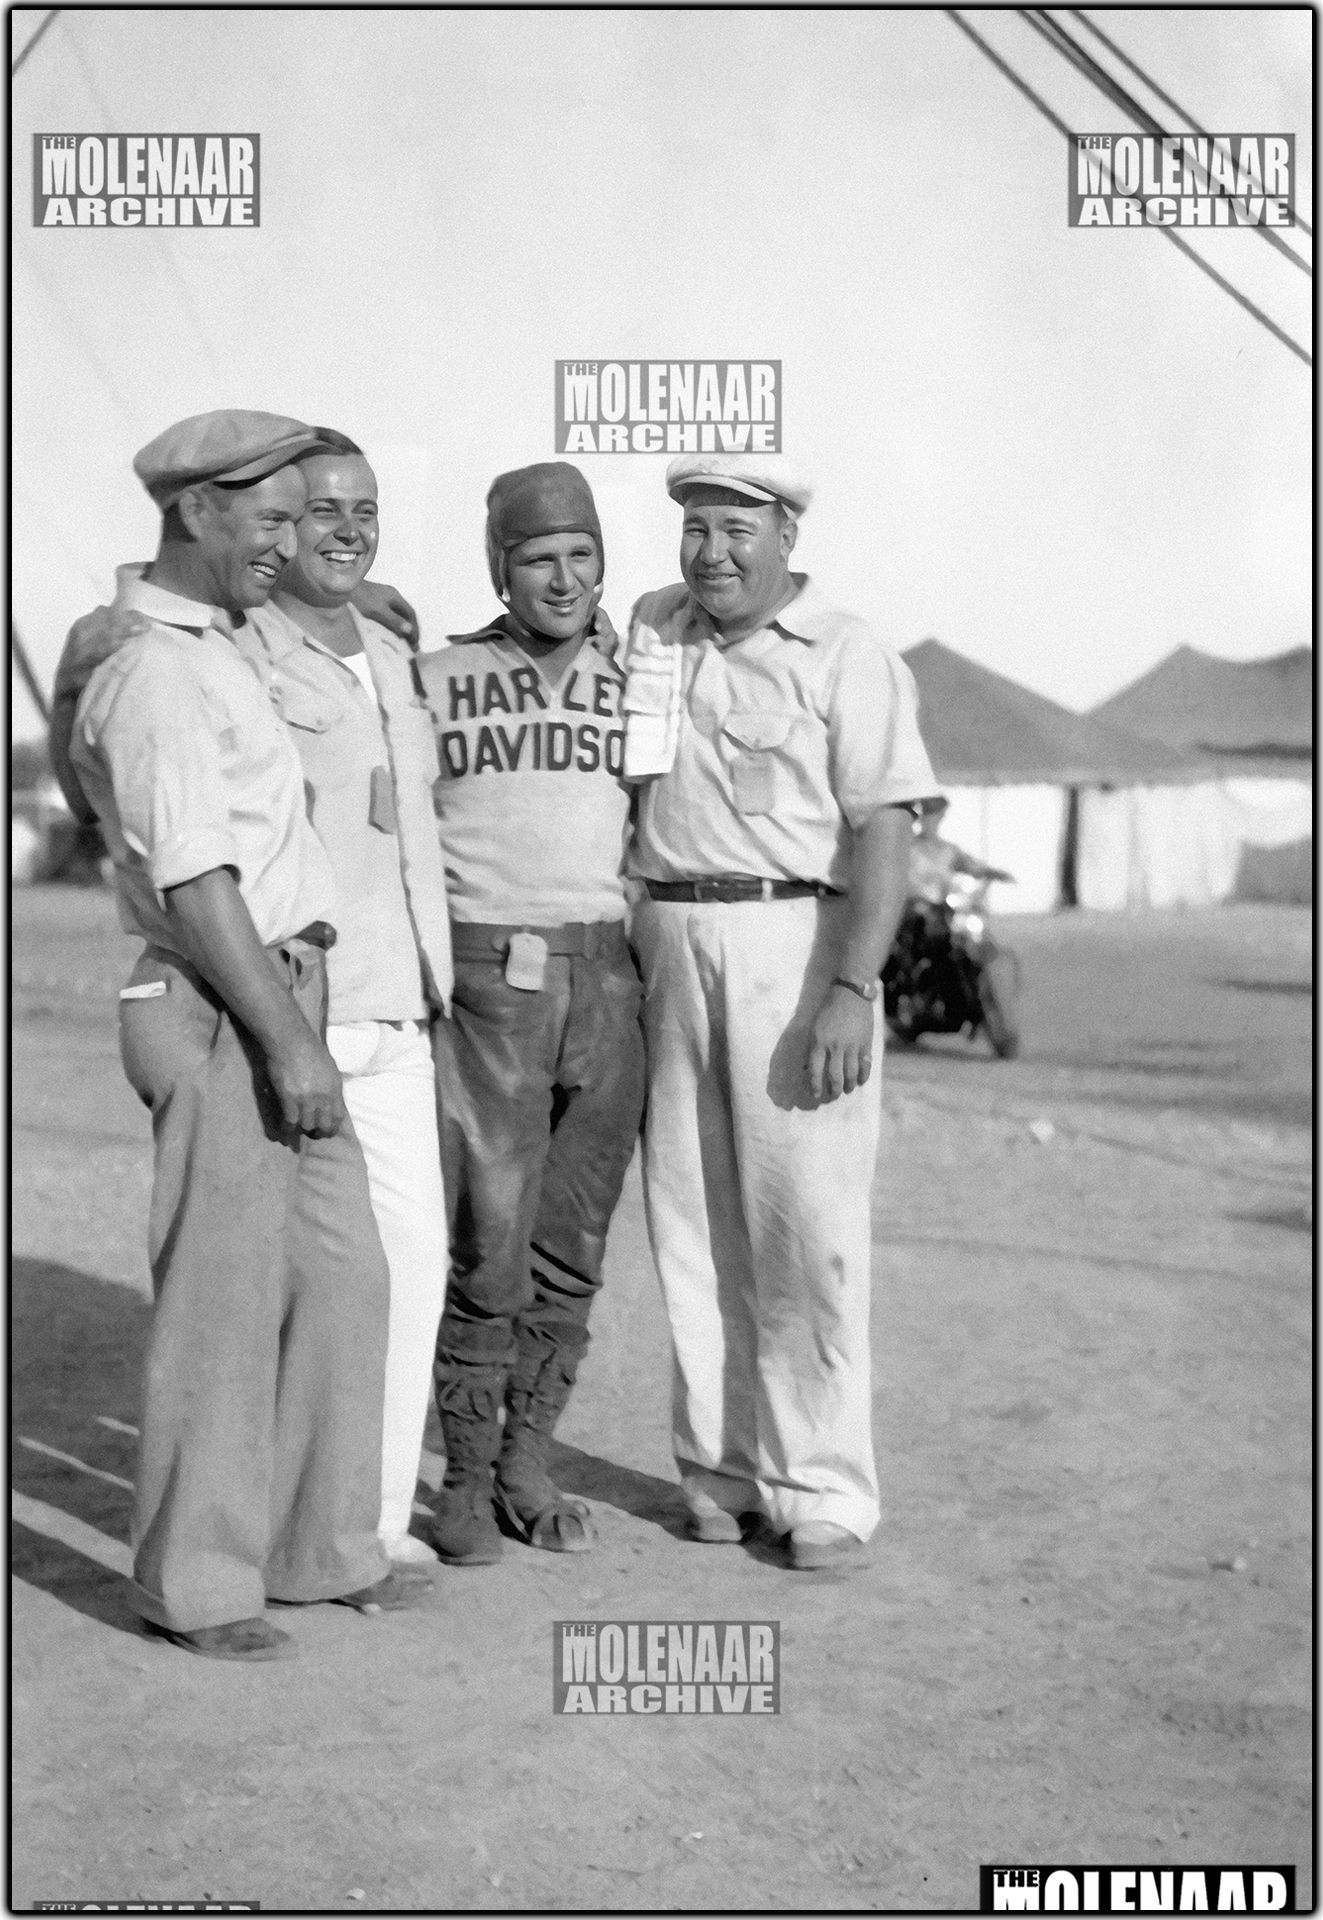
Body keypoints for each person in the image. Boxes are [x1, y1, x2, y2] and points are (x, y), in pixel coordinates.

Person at [64, 410, 430, 1659]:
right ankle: (199, 1586)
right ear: (193, 514)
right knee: (220, 1307)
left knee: (345, 1278)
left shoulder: (213, 644)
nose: (286, 545)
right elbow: (195, 883)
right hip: (223, 1002)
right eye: (267, 520)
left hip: (283, 996)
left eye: (296, 520)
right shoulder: (153, 669)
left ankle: (319, 1554)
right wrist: (289, 1045)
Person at [623, 452, 940, 1572]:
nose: (712, 552)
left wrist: (854, 987)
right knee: (691, 1223)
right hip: (666, 936)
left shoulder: (847, 653)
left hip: (790, 947)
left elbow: (889, 830)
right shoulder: (654, 632)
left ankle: (823, 1490)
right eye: (695, 529)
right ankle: (721, 1471)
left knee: (804, 1231)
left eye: (736, 530)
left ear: (787, 539)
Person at [414, 462, 645, 1566]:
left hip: (608, 978)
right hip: (490, 981)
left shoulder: (645, 678)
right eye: (537, 558)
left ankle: (525, 1461)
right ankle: (462, 1474)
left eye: (582, 555)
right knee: (489, 1241)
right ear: (500, 568)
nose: (563, 578)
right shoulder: (435, 676)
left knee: (573, 1244)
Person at [907, 795, 1011, 905]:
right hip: (910, 910)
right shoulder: (908, 847)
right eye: (927, 815)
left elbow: (973, 867)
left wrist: (994, 873)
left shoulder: (948, 850)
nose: (930, 820)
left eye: (935, 815)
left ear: (941, 816)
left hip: (939, 910)